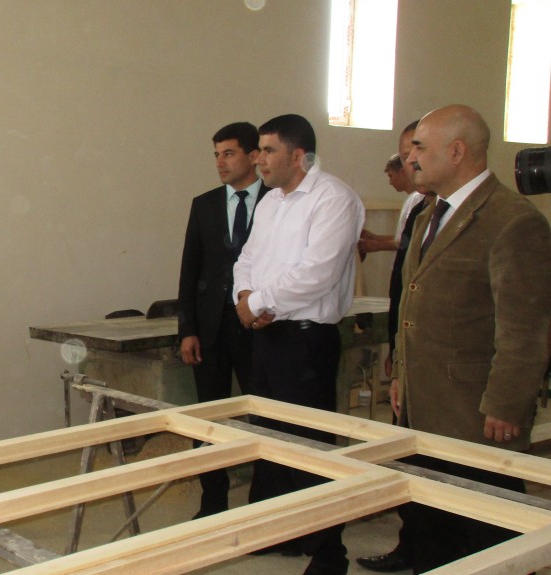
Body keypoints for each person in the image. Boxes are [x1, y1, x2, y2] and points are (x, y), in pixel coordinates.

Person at [392, 104, 551, 573]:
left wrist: (506, 402)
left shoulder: (512, 220)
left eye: (420, 147)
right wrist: (401, 374)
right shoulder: (428, 214)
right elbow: (411, 305)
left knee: (484, 540)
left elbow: (526, 327)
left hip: (475, 413)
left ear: (457, 151)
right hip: (424, 406)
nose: (411, 158)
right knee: (432, 532)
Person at [233, 113, 364, 575]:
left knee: (310, 448)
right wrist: (245, 297)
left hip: (306, 341)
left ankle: (329, 553)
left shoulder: (334, 199)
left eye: (269, 151)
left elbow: (318, 273)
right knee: (269, 440)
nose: (259, 159)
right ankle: (283, 533)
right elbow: (247, 257)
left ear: (298, 155)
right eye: (259, 151)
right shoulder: (270, 202)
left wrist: (260, 301)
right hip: (267, 335)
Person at [177, 121, 268, 518]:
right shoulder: (204, 204)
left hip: (258, 326)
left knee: (264, 417)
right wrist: (187, 329)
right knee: (209, 419)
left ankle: (263, 504)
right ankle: (212, 503)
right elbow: (190, 269)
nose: (220, 162)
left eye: (228, 153)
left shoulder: (277, 201)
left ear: (253, 155)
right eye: (216, 155)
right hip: (211, 328)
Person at [355, 120, 433, 574]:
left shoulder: (483, 214)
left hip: (450, 373)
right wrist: (398, 354)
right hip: (410, 351)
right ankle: (412, 544)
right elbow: (406, 286)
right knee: (410, 456)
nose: (410, 161)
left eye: (416, 150)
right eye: (405, 154)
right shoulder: (419, 207)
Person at [358, 153, 423, 256]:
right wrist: (376, 237)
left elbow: (409, 241)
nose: (390, 182)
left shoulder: (416, 199)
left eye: (391, 176)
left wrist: (378, 246)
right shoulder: (412, 198)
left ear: (402, 173)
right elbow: (402, 237)